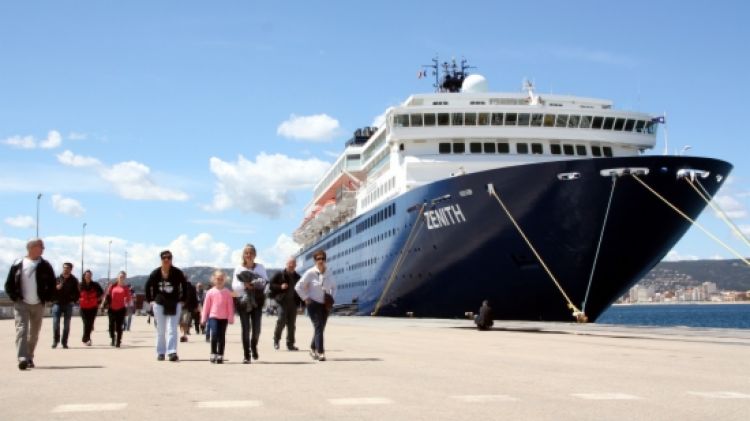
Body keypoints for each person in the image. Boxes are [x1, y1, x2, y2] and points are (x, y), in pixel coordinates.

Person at [4, 238, 56, 370]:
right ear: (31, 247)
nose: (43, 249)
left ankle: (29, 356)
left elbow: (52, 284)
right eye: (41, 246)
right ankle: (22, 358)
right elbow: (9, 284)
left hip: (38, 304)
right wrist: (15, 297)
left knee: (34, 333)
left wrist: (48, 297)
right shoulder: (18, 263)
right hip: (21, 303)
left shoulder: (45, 265)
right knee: (22, 330)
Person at [144, 250, 186, 362]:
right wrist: (150, 300)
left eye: (169, 258)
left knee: (172, 328)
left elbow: (185, 285)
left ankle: (172, 351)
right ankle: (161, 352)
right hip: (159, 303)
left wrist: (183, 299)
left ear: (171, 259)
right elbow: (147, 287)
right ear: (161, 259)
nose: (166, 260)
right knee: (161, 329)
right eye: (164, 258)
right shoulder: (155, 273)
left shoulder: (177, 272)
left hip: (174, 302)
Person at [295, 249, 336, 362]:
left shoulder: (329, 272)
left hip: (325, 304)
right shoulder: (310, 273)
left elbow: (334, 286)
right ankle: (320, 352)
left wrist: (332, 298)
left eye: (323, 258)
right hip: (313, 304)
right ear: (315, 260)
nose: (321, 260)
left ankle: (312, 348)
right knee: (318, 326)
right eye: (318, 259)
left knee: (321, 328)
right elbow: (298, 287)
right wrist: (305, 298)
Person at [231, 244, 268, 364]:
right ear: (243, 255)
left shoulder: (260, 267)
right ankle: (246, 355)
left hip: (257, 300)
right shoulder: (239, 268)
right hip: (243, 301)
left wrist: (256, 284)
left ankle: (254, 345)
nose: (249, 255)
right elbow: (234, 286)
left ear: (255, 255)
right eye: (246, 253)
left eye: (251, 253)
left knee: (257, 329)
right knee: (246, 328)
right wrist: (244, 285)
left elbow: (265, 282)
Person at [201, 270, 234, 364]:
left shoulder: (227, 292)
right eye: (217, 279)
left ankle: (220, 354)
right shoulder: (210, 292)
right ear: (214, 280)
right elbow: (206, 306)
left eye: (221, 279)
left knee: (222, 336)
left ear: (224, 280)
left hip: (224, 318)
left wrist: (230, 317)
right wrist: (203, 318)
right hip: (213, 316)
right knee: (214, 334)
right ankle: (213, 353)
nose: (219, 280)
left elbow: (230, 306)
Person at [269, 256, 301, 351]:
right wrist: (280, 286)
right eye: (290, 263)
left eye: (293, 264)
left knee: (292, 324)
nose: (291, 265)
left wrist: (301, 305)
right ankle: (276, 340)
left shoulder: (298, 277)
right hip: (282, 301)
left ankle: (290, 344)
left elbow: (301, 291)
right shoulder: (279, 274)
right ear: (286, 264)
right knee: (281, 320)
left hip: (293, 303)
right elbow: (270, 285)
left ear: (296, 265)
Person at [51, 262, 80, 349]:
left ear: (71, 269)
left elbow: (77, 293)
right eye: (64, 267)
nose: (65, 269)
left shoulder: (74, 280)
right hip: (57, 304)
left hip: (68, 304)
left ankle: (64, 342)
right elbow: (51, 291)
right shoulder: (57, 279)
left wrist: (73, 299)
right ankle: (55, 341)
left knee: (66, 324)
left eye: (67, 268)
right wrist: (56, 288)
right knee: (56, 323)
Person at [105, 271, 132, 347]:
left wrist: (127, 304)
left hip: (121, 309)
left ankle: (118, 341)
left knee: (119, 326)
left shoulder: (126, 288)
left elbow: (128, 298)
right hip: (111, 308)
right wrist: (104, 304)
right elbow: (107, 295)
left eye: (123, 277)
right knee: (111, 326)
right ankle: (113, 338)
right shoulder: (112, 286)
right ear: (117, 277)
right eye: (120, 276)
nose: (122, 278)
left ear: (125, 278)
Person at [79, 270, 103, 346]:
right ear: (84, 276)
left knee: (89, 323)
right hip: (83, 308)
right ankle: (86, 338)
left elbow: (102, 294)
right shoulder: (80, 285)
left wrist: (98, 301)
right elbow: (76, 294)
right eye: (87, 275)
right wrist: (78, 299)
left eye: (90, 275)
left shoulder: (95, 285)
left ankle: (86, 338)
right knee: (86, 323)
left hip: (93, 307)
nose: (88, 277)